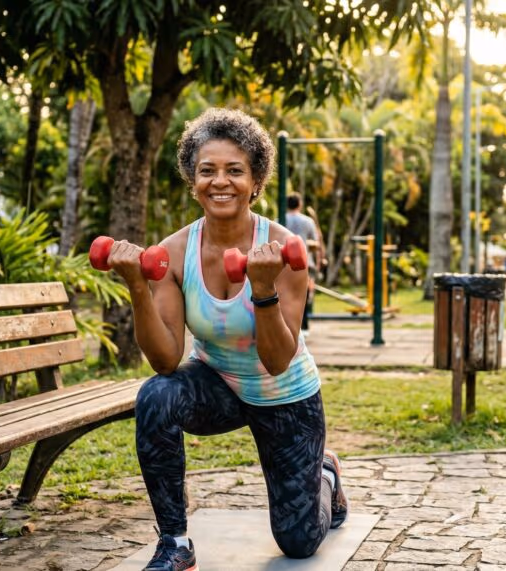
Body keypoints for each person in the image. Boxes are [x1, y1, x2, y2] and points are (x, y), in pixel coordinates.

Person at [106, 109, 346, 571]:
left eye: (235, 170)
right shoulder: (174, 252)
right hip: (219, 386)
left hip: (284, 394)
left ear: (255, 181)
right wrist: (137, 284)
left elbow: (277, 360)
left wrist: (263, 288)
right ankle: (175, 543)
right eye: (207, 170)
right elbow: (165, 359)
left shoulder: (283, 250)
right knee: (156, 395)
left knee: (298, 542)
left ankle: (326, 476)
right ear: (192, 180)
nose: (220, 182)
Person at [284, 192, 321, 333]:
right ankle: (304, 326)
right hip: (304, 261)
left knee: (285, 293)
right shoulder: (307, 221)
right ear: (299, 204)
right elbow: (316, 243)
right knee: (304, 293)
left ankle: (288, 324)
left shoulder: (279, 220)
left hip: (285, 262)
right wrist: (317, 262)